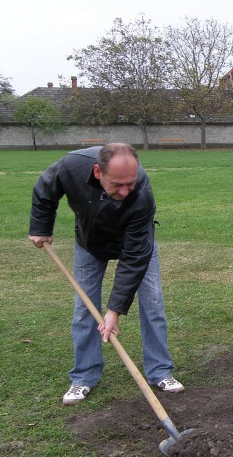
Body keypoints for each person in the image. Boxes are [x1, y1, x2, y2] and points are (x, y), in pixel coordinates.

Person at [28, 143, 184, 405]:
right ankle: (83, 377)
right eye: (117, 185)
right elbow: (45, 189)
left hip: (135, 243)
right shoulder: (72, 166)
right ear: (98, 172)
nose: (124, 191)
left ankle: (160, 371)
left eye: (129, 184)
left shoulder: (142, 194)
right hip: (90, 243)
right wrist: (40, 226)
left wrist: (113, 312)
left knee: (153, 302)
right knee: (84, 308)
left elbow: (133, 260)